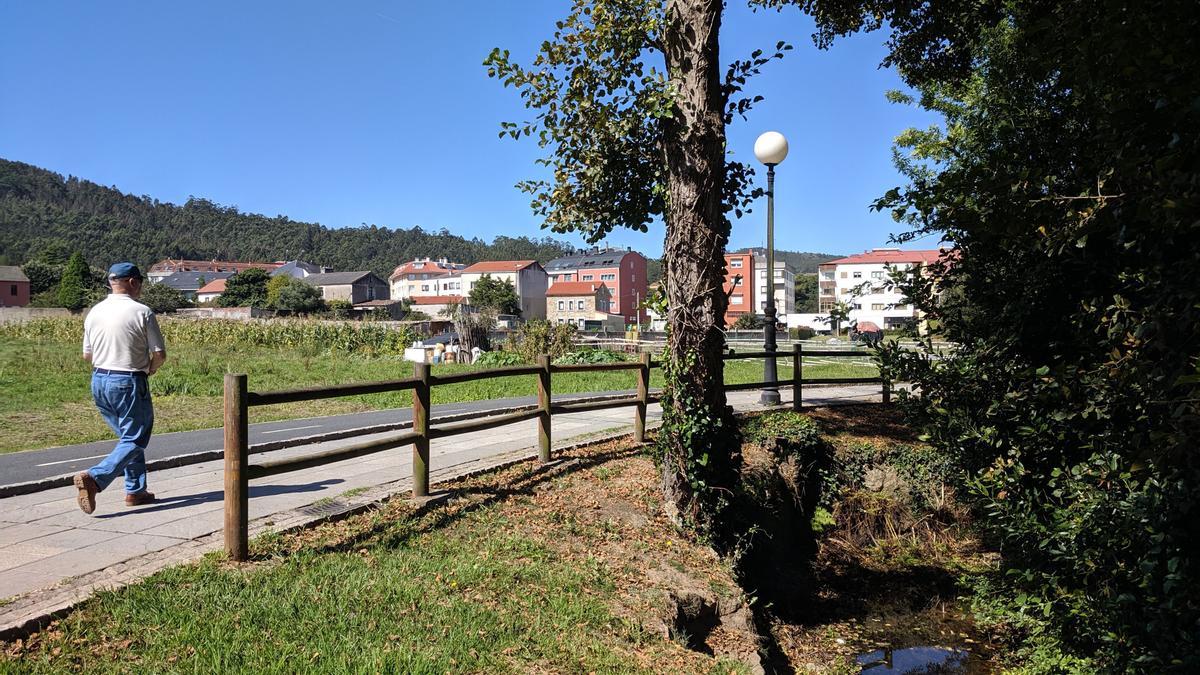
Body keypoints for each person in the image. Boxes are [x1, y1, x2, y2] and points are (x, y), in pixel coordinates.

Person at [73, 263, 167, 514]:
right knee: (136, 438)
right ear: (134, 282)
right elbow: (159, 353)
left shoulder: (94, 312)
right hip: (129, 380)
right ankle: (95, 477)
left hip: (100, 380)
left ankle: (136, 491)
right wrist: (150, 369)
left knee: (128, 439)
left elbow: (86, 355)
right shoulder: (141, 311)